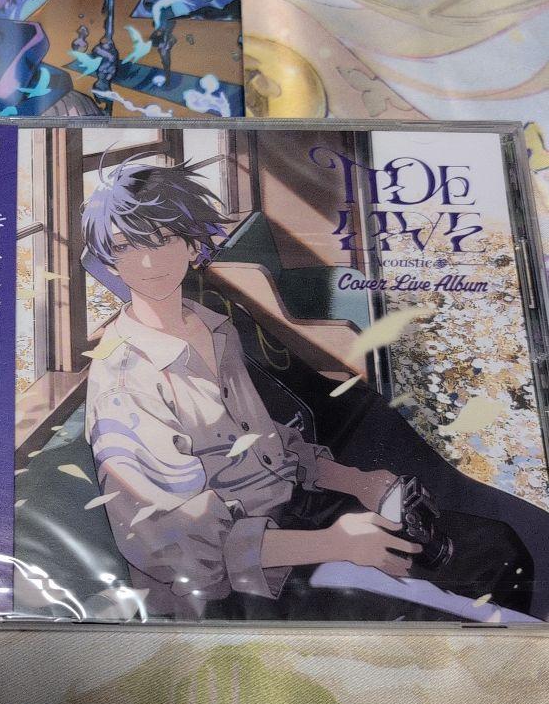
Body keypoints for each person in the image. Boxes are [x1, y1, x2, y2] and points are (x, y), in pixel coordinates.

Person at [80, 156, 532, 619]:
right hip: (236, 586)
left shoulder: (214, 328)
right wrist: (335, 544)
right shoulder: (124, 379)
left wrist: (358, 481)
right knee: (446, 613)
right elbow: (176, 547)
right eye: (126, 246)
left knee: (496, 551)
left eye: (164, 239)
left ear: (193, 244)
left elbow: (266, 443)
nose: (148, 261)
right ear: (108, 259)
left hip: (295, 516)